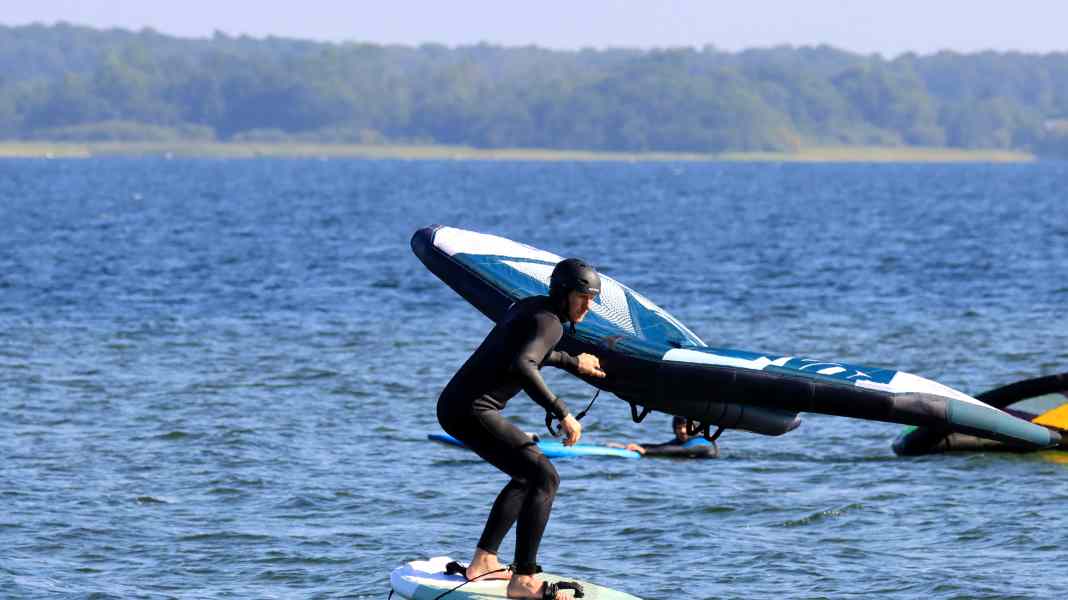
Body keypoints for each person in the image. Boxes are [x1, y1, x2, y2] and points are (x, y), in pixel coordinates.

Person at [436, 258, 607, 599]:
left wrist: (575, 362)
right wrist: (562, 412)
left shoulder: (534, 309)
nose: (588, 305)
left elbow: (530, 353)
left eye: (592, 298)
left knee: (527, 474)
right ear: (562, 293)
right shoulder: (551, 324)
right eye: (582, 297)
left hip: (457, 404)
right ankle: (524, 579)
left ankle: (484, 561)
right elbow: (524, 364)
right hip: (472, 409)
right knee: (545, 477)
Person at [616, 415, 719, 458]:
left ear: (695, 428)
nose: (682, 431)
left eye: (686, 427)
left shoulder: (704, 443)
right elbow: (662, 446)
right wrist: (632, 447)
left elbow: (682, 450)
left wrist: (646, 452)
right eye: (679, 428)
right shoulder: (681, 442)